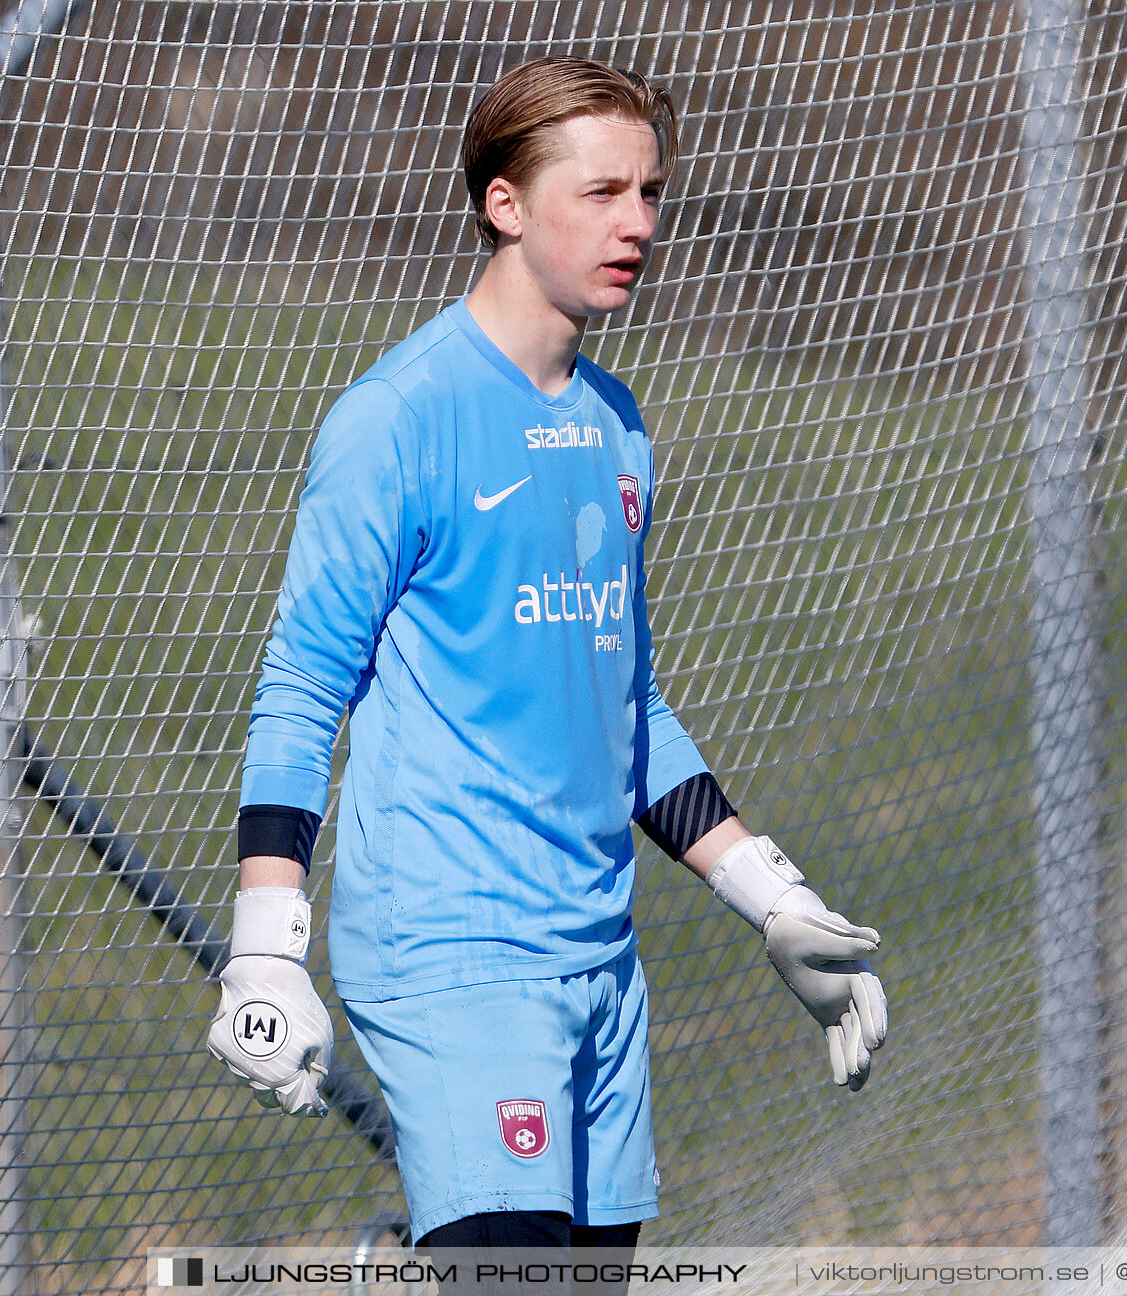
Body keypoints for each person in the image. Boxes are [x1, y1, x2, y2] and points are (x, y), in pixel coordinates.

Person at [205, 55, 889, 1257]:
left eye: (651, 192)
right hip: (453, 948)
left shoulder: (618, 429)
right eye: (601, 192)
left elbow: (625, 707)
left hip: (598, 959)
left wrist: (774, 899)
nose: (637, 223)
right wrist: (266, 950)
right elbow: (304, 687)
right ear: (504, 204)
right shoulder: (398, 419)